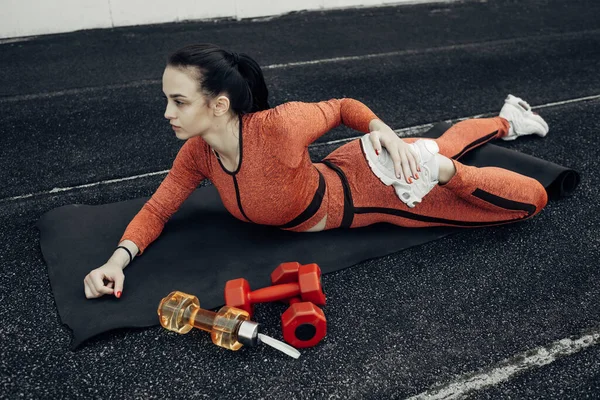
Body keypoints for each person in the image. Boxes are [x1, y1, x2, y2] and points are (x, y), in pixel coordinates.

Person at [83, 43, 549, 299]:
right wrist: (114, 262)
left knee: (525, 201)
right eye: (167, 99)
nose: (167, 112)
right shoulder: (198, 154)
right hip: (346, 167)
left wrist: (383, 131)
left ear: (219, 105)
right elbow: (160, 207)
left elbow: (343, 106)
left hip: (379, 192)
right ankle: (505, 119)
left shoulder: (278, 127)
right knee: (441, 143)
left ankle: (470, 149)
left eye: (178, 101)